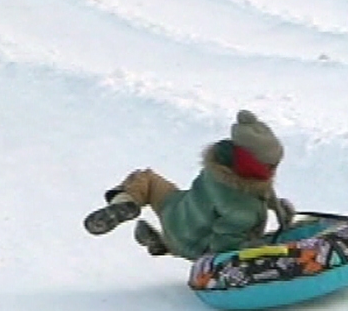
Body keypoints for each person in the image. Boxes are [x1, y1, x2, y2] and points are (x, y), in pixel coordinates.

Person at [83, 111, 292, 260]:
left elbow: (259, 186)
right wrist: (259, 247)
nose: (273, 170)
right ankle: (167, 244)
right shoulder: (242, 210)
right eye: (270, 166)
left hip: (175, 208)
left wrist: (274, 205)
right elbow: (224, 249)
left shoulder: (218, 164)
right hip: (192, 242)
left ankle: (125, 202)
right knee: (194, 243)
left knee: (146, 179)